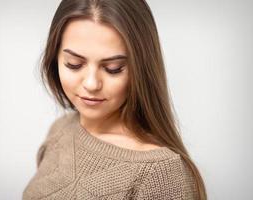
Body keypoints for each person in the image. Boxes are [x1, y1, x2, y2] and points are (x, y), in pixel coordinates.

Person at [23, 0, 207, 199]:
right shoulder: (60, 129)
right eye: (74, 64)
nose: (92, 84)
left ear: (141, 68)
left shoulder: (161, 173)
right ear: (54, 59)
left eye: (113, 69)